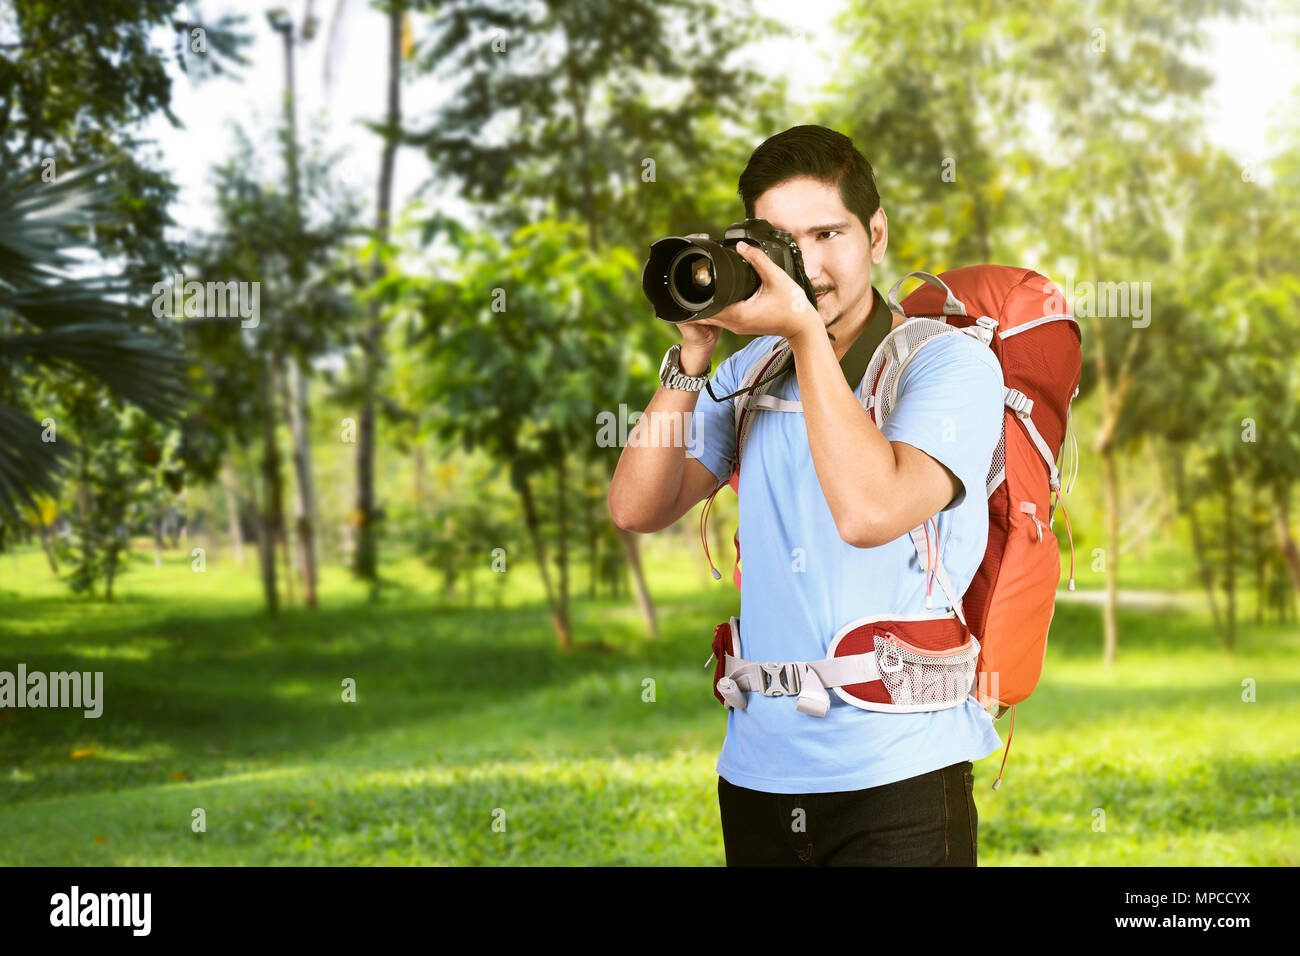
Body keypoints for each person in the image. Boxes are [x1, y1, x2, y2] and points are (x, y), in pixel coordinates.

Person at [608, 125, 1005, 866]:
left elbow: (869, 513)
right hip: (759, 770)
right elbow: (637, 507)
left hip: (902, 770)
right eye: (785, 241)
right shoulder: (751, 369)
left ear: (876, 234)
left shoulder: (949, 367)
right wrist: (692, 357)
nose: (809, 267)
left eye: (829, 233)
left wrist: (800, 331)